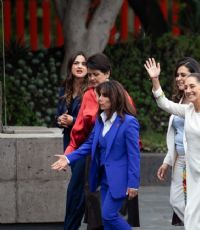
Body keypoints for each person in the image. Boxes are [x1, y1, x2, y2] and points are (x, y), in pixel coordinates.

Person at [145, 58, 200, 229]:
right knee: (193, 214)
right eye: (186, 86)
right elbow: (164, 103)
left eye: (193, 86)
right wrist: (155, 79)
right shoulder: (187, 110)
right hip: (191, 169)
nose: (188, 90)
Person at [52, 80, 140, 230]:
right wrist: (68, 158)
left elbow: (134, 155)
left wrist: (133, 183)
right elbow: (88, 145)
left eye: (104, 96)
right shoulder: (100, 120)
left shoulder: (129, 122)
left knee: (108, 216)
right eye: (99, 95)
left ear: (115, 98)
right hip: (103, 177)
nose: (99, 99)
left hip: (119, 179)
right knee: (105, 222)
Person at [55, 51, 88, 230]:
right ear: (71, 67)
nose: (80, 66)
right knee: (78, 189)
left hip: (84, 146)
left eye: (83, 63)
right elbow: (57, 114)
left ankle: (70, 227)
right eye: (76, 63)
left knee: (75, 191)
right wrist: (60, 120)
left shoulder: (91, 91)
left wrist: (73, 121)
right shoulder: (65, 88)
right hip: (70, 143)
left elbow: (91, 121)